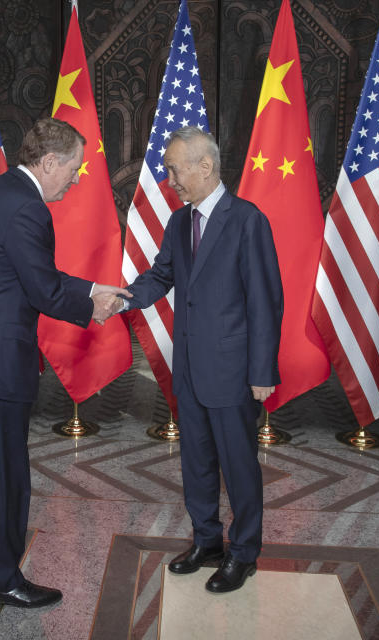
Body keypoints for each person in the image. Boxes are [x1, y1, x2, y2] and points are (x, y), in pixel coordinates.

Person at [0, 117, 128, 608]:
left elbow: (26, 271)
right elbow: (40, 289)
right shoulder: (28, 209)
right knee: (7, 470)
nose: (76, 177)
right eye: (73, 169)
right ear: (48, 162)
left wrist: (89, 286)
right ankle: (1, 579)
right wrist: (93, 308)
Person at [116, 126, 282, 593]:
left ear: (204, 167)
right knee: (197, 463)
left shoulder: (248, 220)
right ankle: (206, 541)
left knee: (239, 466)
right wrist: (123, 298)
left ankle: (244, 552)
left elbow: (265, 302)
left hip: (233, 374)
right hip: (188, 369)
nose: (169, 178)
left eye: (173, 168)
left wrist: (263, 373)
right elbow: (162, 275)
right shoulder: (178, 222)